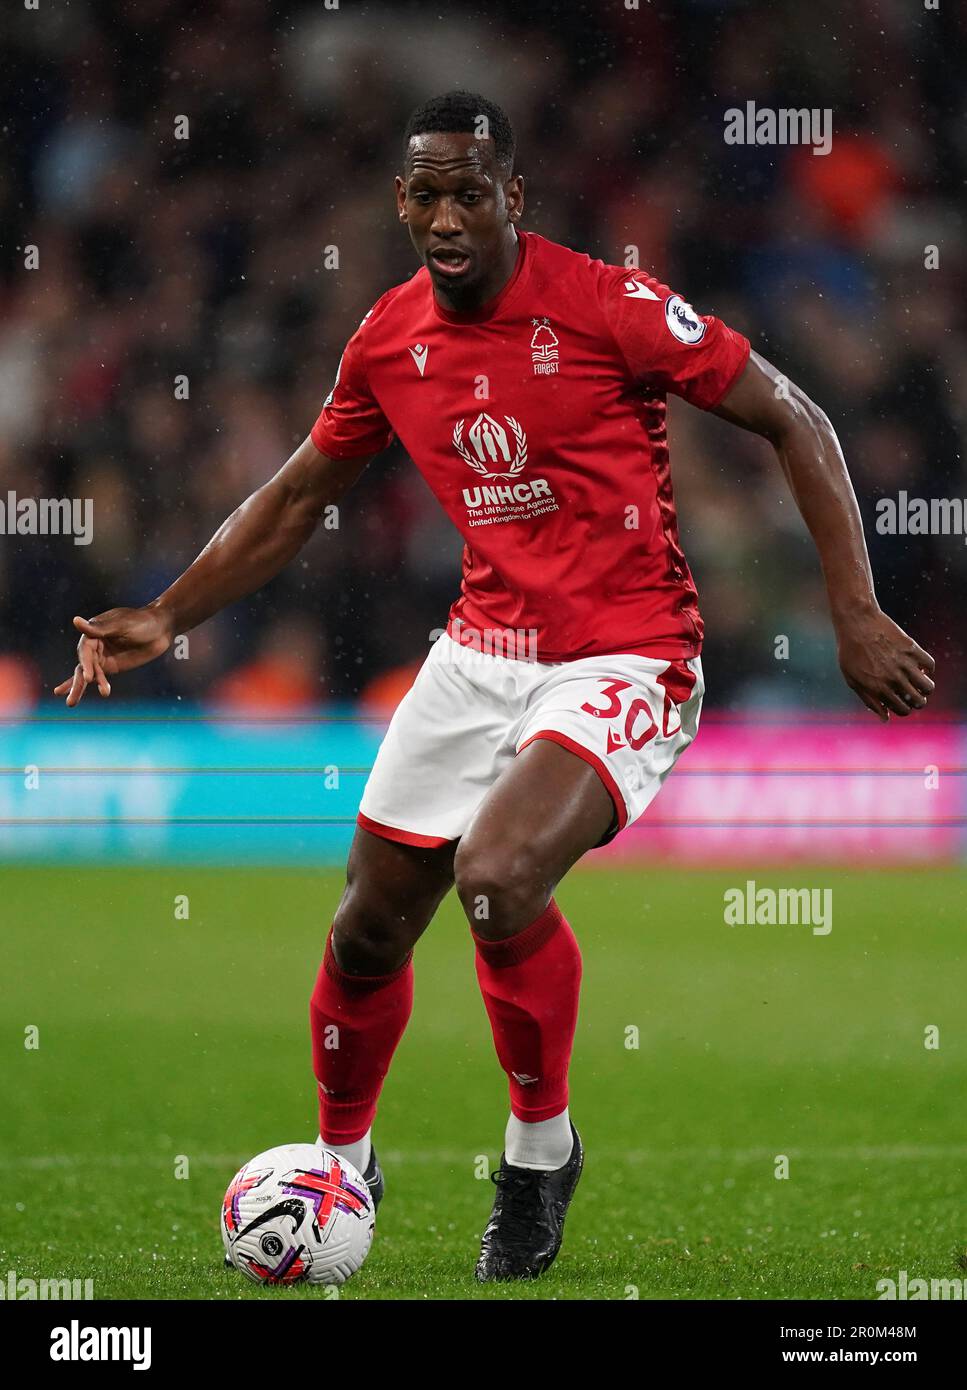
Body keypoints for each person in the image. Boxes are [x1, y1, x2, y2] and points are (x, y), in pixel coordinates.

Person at [56, 91, 936, 1283]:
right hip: (477, 655)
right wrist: (170, 609)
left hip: (628, 652)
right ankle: (341, 1162)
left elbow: (795, 417)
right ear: (399, 203)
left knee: (498, 872)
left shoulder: (609, 305)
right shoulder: (388, 339)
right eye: (423, 192)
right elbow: (297, 495)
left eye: (470, 190)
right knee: (367, 926)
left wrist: (852, 608)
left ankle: (537, 1153)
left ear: (513, 196)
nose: (446, 214)